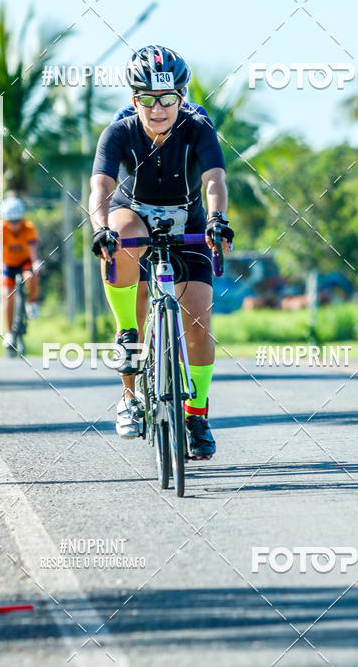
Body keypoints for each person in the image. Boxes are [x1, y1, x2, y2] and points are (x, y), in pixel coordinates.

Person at [89, 45, 234, 459]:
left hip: (186, 224)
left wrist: (216, 219)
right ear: (134, 100)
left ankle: (197, 416)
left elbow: (214, 181)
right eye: (148, 99)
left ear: (181, 97)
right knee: (121, 236)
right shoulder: (118, 132)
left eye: (168, 98)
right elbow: (100, 188)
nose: (158, 109)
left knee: (199, 322)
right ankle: (128, 350)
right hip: (131, 215)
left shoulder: (199, 128)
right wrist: (101, 229)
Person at [0, 196, 41, 350]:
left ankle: (32, 302)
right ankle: (9, 333)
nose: (15, 225)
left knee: (32, 276)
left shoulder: (28, 228)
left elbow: (34, 253)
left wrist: (36, 263)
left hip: (25, 262)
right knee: (7, 295)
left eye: (17, 221)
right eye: (11, 222)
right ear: (6, 220)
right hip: (8, 264)